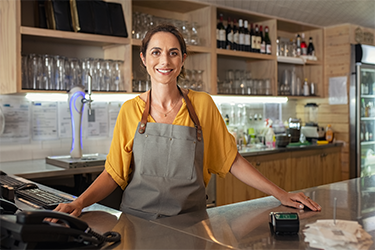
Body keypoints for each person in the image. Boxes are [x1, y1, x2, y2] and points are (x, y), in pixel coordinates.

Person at [54, 24, 321, 219]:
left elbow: (232, 160)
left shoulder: (202, 105)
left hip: (191, 222)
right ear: (144, 59)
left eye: (173, 53)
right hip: (137, 221)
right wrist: (80, 203)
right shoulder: (130, 111)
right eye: (156, 52)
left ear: (182, 60)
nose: (164, 61)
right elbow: (114, 173)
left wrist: (281, 194)